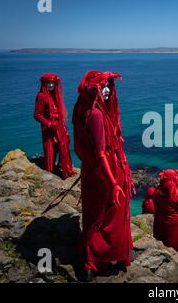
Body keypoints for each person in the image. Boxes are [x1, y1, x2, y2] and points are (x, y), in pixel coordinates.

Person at [72, 70, 135, 282]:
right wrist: (114, 183)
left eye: (109, 85)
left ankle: (92, 259)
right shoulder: (97, 115)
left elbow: (88, 146)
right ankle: (104, 257)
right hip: (106, 170)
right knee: (112, 216)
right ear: (93, 88)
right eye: (103, 86)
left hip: (92, 170)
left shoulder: (82, 109)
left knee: (94, 213)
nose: (107, 90)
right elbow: (100, 152)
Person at [34, 73, 76, 179]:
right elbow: (37, 114)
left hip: (59, 126)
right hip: (49, 128)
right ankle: (51, 170)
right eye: (49, 83)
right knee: (50, 149)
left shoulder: (55, 94)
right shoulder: (41, 96)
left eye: (53, 83)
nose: (51, 85)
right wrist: (48, 123)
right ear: (44, 84)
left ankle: (63, 167)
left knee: (63, 145)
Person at [153, 169, 178, 259]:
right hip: (176, 225)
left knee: (163, 242)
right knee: (175, 246)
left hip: (160, 221)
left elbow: (155, 205)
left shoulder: (157, 191)